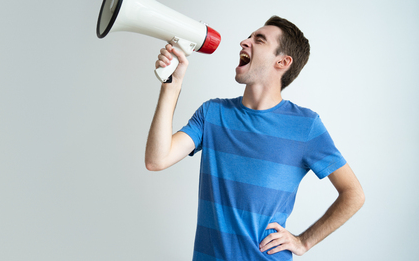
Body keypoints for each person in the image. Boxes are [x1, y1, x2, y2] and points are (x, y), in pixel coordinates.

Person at [145, 16, 365, 260]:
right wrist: (171, 86)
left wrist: (304, 241)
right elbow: (157, 159)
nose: (244, 42)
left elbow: (353, 193)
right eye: (249, 36)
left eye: (258, 40)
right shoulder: (212, 114)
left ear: (282, 61)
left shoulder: (306, 126)